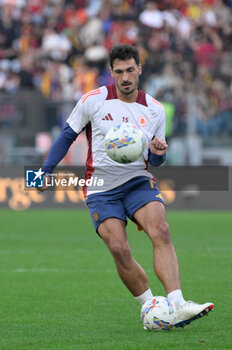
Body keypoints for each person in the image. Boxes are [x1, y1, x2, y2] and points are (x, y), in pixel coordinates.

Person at [40, 44, 214, 328]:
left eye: (130, 70)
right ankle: (152, 308)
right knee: (119, 248)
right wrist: (44, 172)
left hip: (137, 180)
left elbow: (155, 160)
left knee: (161, 228)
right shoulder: (93, 100)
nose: (125, 77)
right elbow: (66, 135)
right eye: (119, 72)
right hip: (100, 186)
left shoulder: (155, 110)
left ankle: (178, 303)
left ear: (139, 69)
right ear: (111, 73)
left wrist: (158, 152)